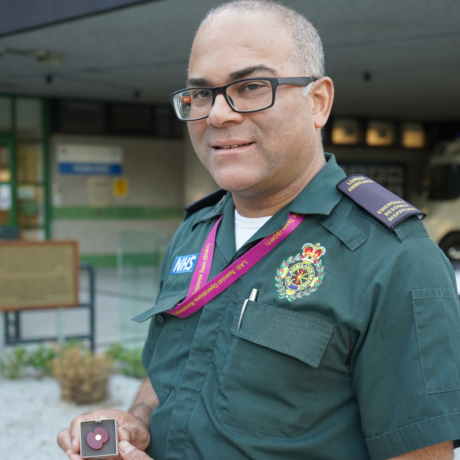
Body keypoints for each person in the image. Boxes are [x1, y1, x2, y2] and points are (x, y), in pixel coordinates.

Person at [58, 1, 460, 459]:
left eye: (251, 86)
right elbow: (166, 373)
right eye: (202, 94)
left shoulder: (393, 258)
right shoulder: (195, 232)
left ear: (318, 102)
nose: (218, 115)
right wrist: (138, 420)